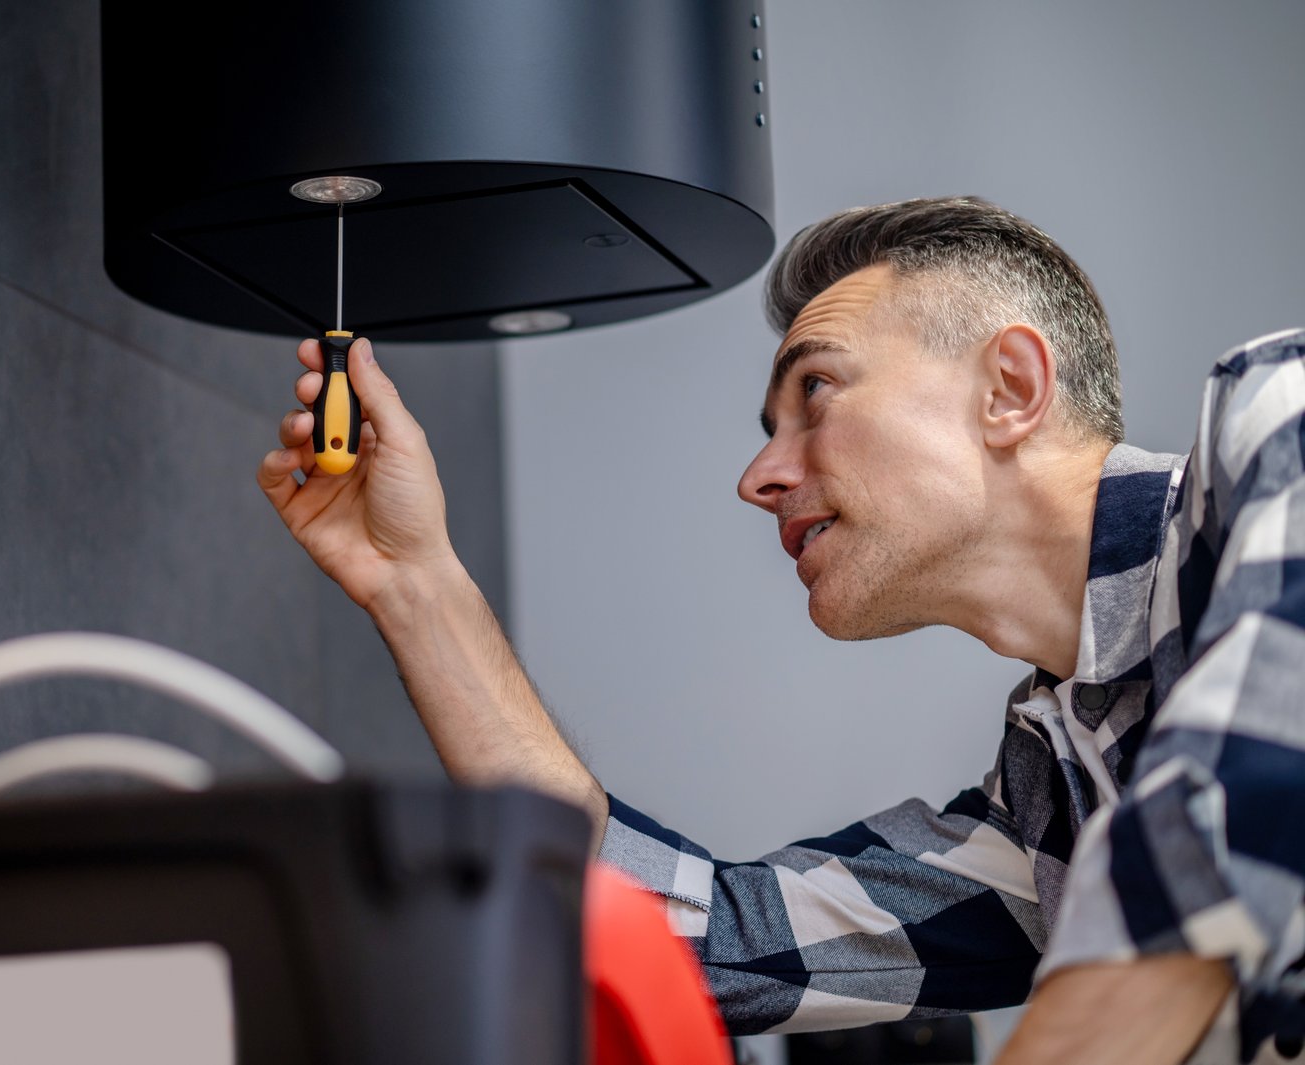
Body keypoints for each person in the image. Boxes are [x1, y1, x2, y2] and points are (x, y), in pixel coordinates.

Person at [257, 196, 1305, 1064]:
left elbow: (1252, 781)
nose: (758, 478)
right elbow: (697, 940)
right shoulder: (1048, 808)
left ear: (1009, 389)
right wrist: (415, 580)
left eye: (815, 391)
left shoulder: (1280, 421)